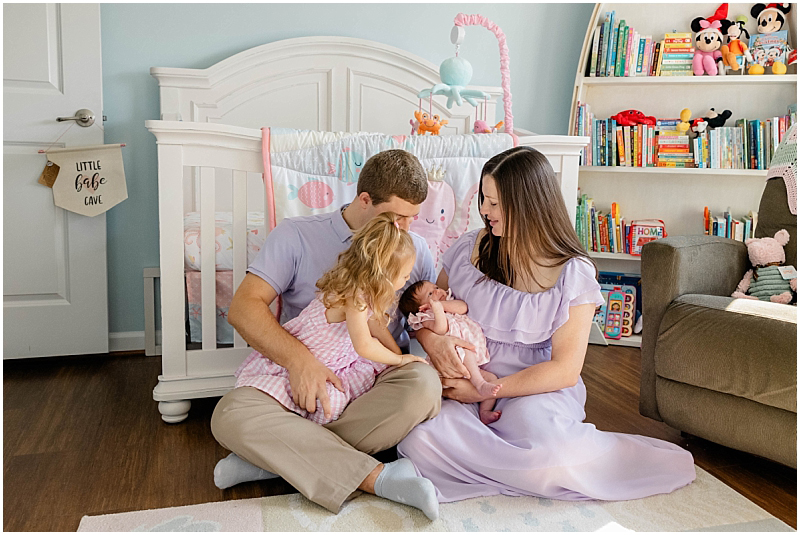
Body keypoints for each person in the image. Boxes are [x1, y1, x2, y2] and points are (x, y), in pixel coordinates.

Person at [400, 146, 696, 502]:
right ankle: (509, 474)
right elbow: (426, 316)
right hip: (467, 381)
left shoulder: (573, 274)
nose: (484, 211)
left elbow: (564, 370)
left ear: (527, 205)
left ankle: (499, 473)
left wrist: (488, 391)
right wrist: (437, 347)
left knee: (551, 456)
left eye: (494, 203)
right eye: (483, 199)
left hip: (533, 389)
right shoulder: (469, 250)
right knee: (419, 441)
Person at [211, 150, 445, 520]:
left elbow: (430, 309)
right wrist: (299, 362)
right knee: (229, 415)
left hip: (370, 380)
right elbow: (244, 308)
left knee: (425, 386)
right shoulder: (296, 235)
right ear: (364, 200)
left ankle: (275, 459)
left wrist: (435, 345)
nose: (406, 228)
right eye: (397, 217)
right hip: (297, 384)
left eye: (413, 218)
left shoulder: (414, 248)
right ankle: (377, 477)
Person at [235, 213, 428, 426]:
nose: (408, 279)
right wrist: (399, 360)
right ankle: (311, 432)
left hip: (340, 360)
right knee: (332, 403)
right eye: (404, 275)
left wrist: (397, 357)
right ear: (383, 274)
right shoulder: (355, 297)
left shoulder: (369, 294)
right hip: (318, 360)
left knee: (376, 371)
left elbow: (376, 326)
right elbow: (364, 345)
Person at [399, 280, 502, 424]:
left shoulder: (448, 303)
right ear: (422, 308)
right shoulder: (426, 317)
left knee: (492, 378)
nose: (436, 290)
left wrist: (441, 304)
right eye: (430, 293)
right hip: (453, 360)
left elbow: (463, 307)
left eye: (435, 287)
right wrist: (437, 310)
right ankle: (479, 384)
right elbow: (441, 329)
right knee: (466, 353)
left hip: (468, 365)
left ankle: (484, 412)